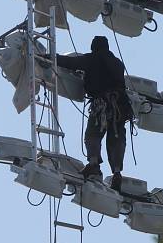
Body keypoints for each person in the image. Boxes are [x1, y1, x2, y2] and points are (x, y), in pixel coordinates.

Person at [54, 36, 133, 191]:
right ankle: (117, 172)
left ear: (94, 47)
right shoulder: (118, 63)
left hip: (102, 104)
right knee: (116, 138)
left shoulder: (92, 58)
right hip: (121, 106)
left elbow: (71, 63)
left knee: (93, 135)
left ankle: (94, 165)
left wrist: (52, 57)